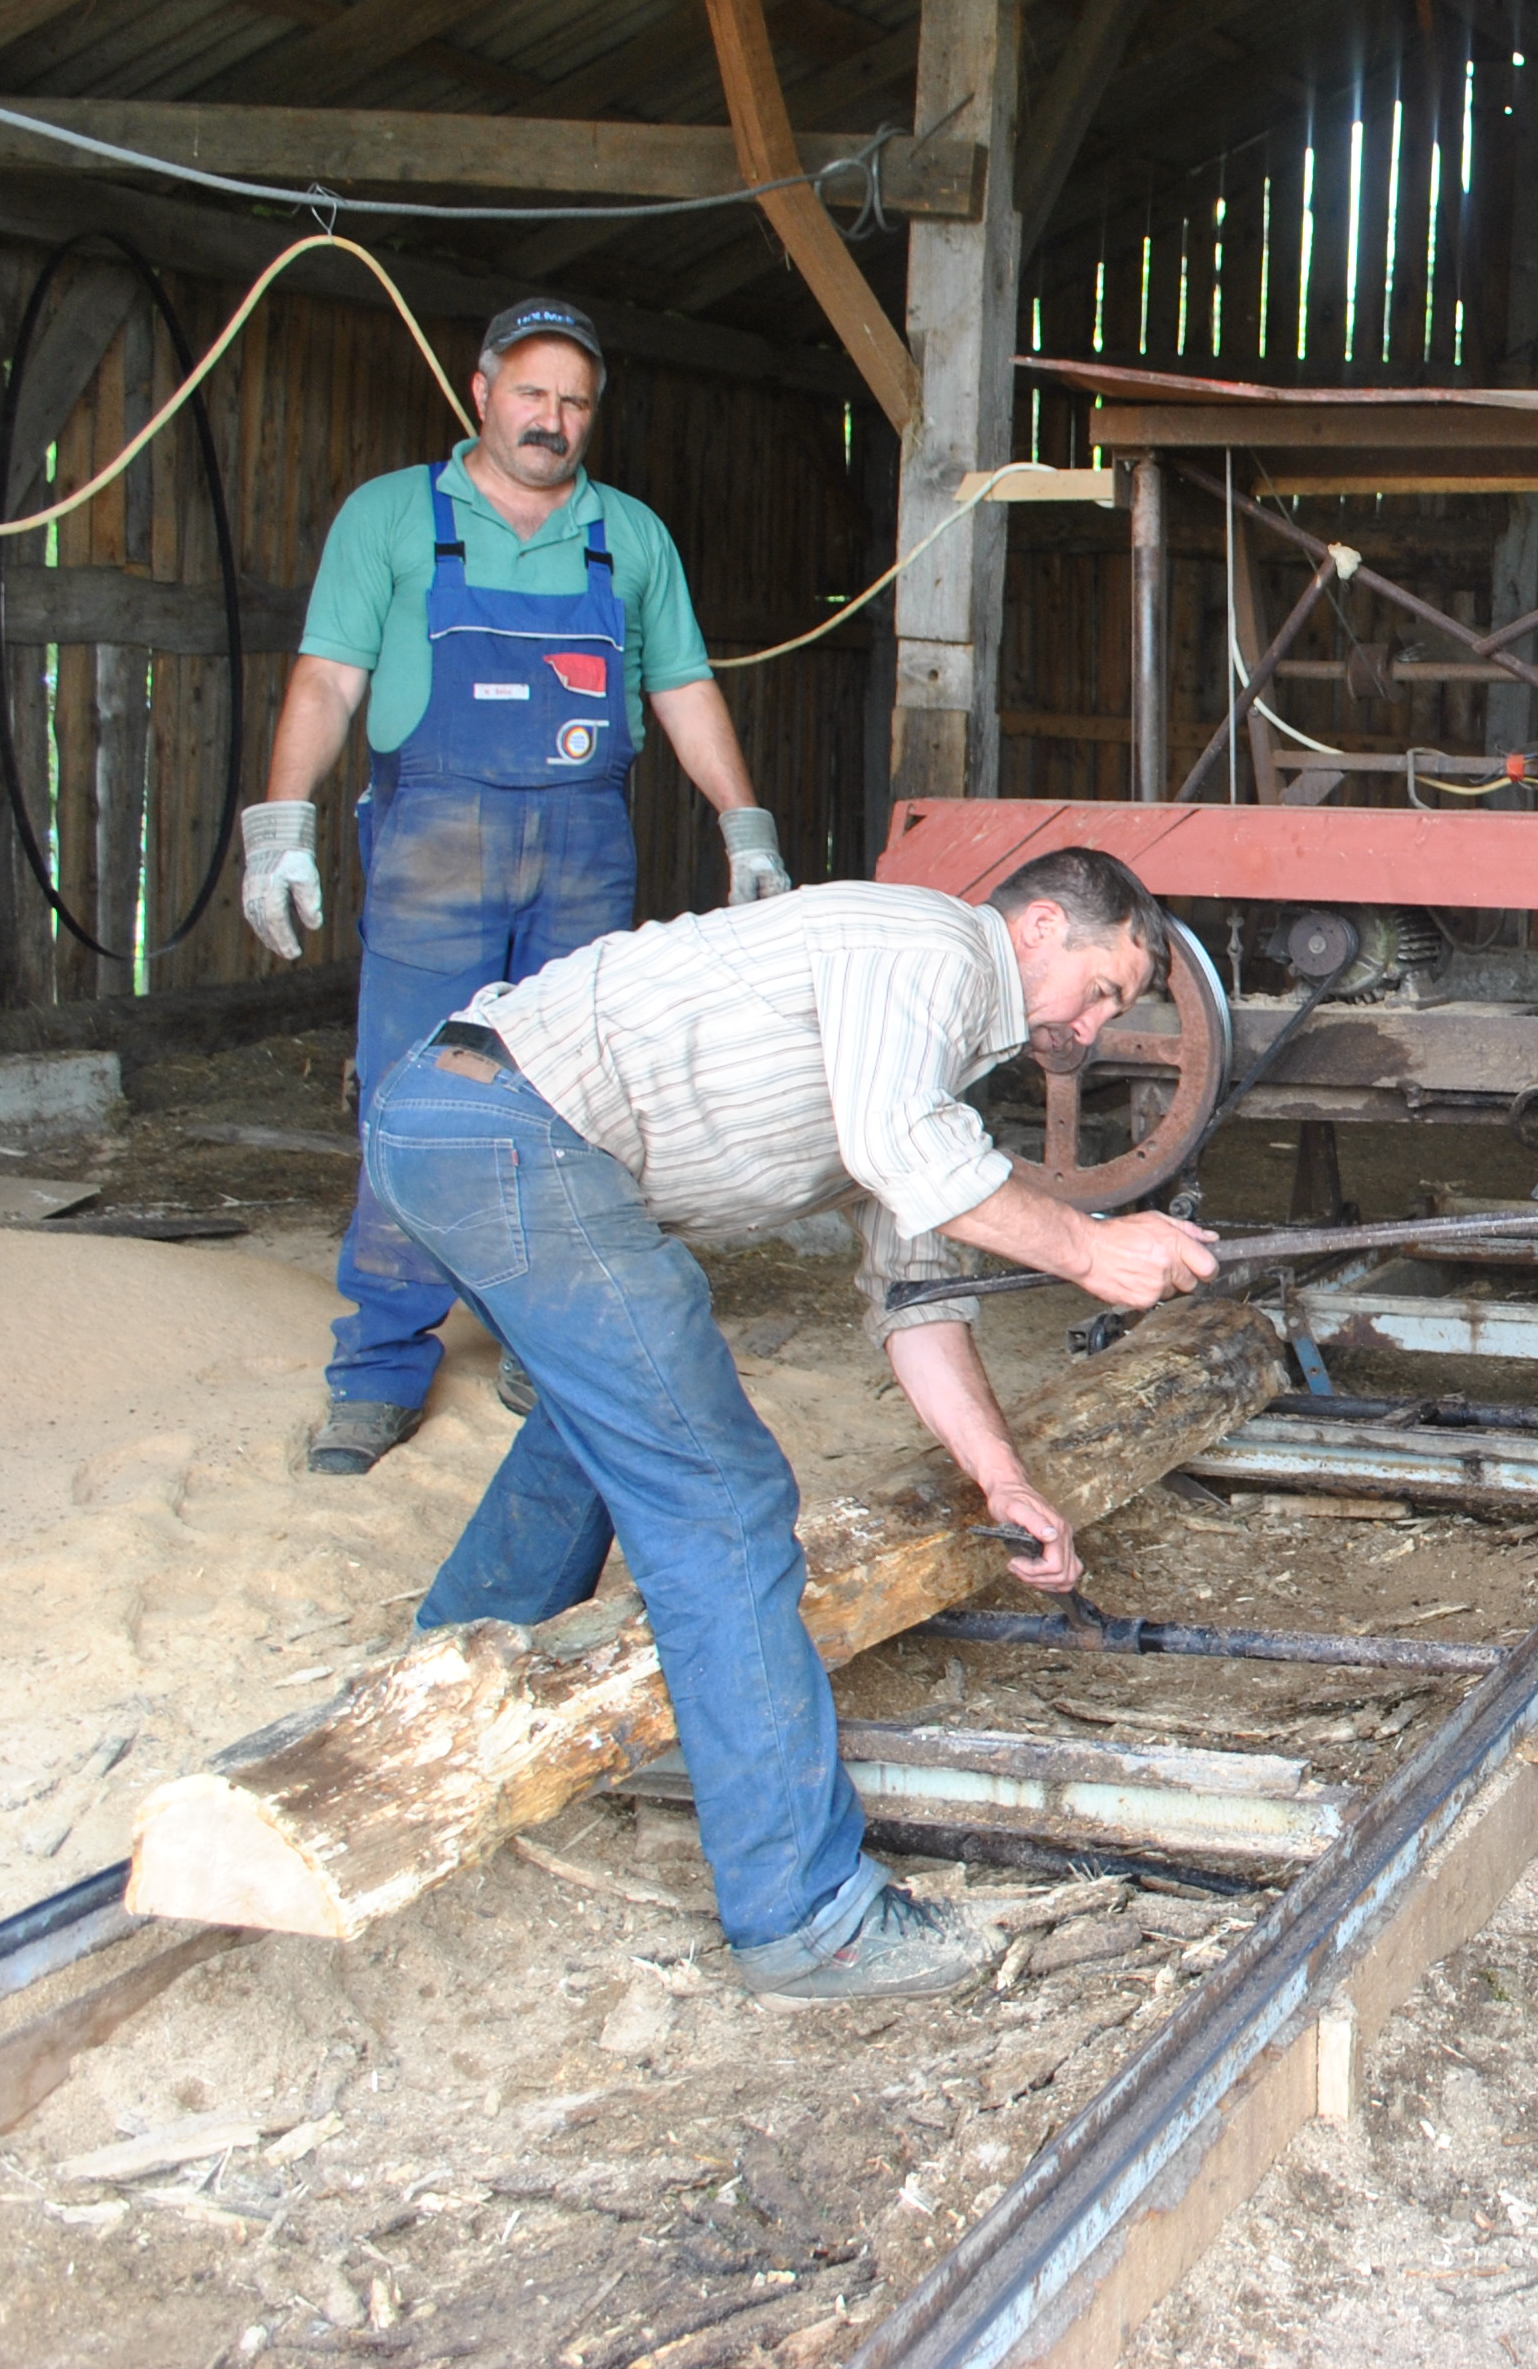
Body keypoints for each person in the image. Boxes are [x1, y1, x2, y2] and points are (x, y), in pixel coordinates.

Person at [360, 845, 1217, 1998]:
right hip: (502, 1126)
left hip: (473, 1124)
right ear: (1038, 928)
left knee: (613, 1412)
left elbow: (915, 1300)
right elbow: (901, 1152)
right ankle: (809, 1920)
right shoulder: (927, 948)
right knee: (721, 1499)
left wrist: (1002, 1478)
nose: (1096, 1025)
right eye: (1103, 987)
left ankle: (442, 1683)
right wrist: (1091, 1249)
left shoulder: (929, 1065)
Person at [239, 296, 794, 1479]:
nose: (553, 420)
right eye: (532, 394)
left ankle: (546, 1345)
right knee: (412, 1100)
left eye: (575, 402)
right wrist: (280, 827)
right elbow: (327, 679)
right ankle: (377, 1369)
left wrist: (744, 827)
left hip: (582, 858)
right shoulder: (394, 517)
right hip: (434, 851)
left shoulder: (627, 536)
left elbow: (683, 689)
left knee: (572, 1105)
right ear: (482, 390)